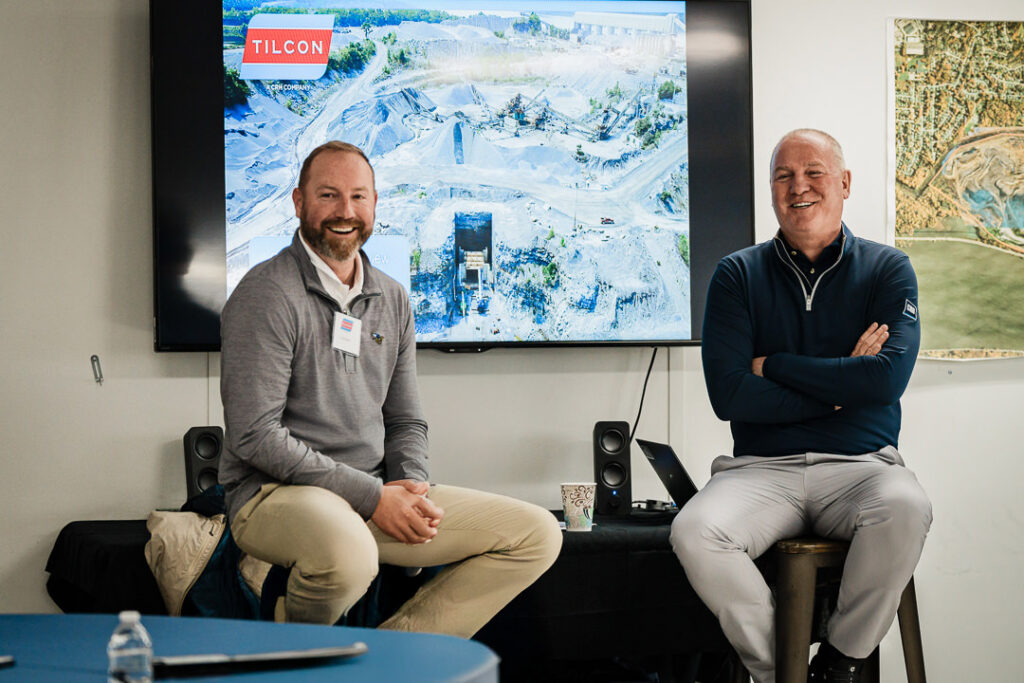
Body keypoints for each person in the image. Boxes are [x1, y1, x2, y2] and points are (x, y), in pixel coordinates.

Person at [219, 141, 562, 635]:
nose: (345, 212)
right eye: (329, 196)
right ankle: (287, 654)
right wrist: (375, 498)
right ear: (298, 203)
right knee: (350, 554)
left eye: (359, 197)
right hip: (274, 495)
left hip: (374, 493)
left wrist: (411, 485)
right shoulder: (265, 294)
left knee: (536, 535)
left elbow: (404, 419)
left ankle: (395, 657)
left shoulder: (391, 297)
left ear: (375, 205)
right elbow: (255, 436)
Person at [670, 129, 932, 683]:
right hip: (761, 471)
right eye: (784, 176)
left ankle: (840, 661)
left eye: (813, 172)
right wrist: (843, 387)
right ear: (771, 191)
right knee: (694, 532)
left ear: (844, 182)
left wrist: (776, 364)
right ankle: (780, 669)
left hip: (862, 470)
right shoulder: (736, 275)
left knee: (906, 508)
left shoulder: (889, 270)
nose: (799, 187)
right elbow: (730, 396)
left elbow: (885, 383)